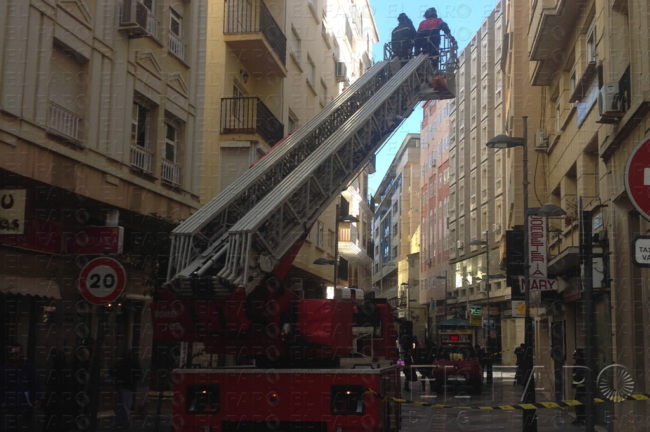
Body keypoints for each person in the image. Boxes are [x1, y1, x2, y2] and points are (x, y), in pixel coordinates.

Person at [0, 343, 40, 432]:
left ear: (21, 353)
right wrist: (2, 400)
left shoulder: (28, 367)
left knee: (24, 425)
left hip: (24, 402)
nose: (15, 356)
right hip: (9, 403)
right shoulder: (4, 368)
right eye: (13, 354)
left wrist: (36, 398)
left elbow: (35, 383)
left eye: (17, 353)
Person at [113, 349, 142, 430]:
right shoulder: (134, 363)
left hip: (120, 386)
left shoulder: (120, 362)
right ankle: (125, 423)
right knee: (126, 405)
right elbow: (139, 375)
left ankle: (119, 422)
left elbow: (112, 371)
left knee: (119, 405)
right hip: (128, 387)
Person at [572, 349, 586, 425]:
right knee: (578, 403)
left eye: (576, 355)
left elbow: (578, 375)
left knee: (580, 404)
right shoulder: (577, 364)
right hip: (580, 387)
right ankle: (579, 418)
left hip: (583, 388)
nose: (574, 357)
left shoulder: (581, 364)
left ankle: (581, 419)